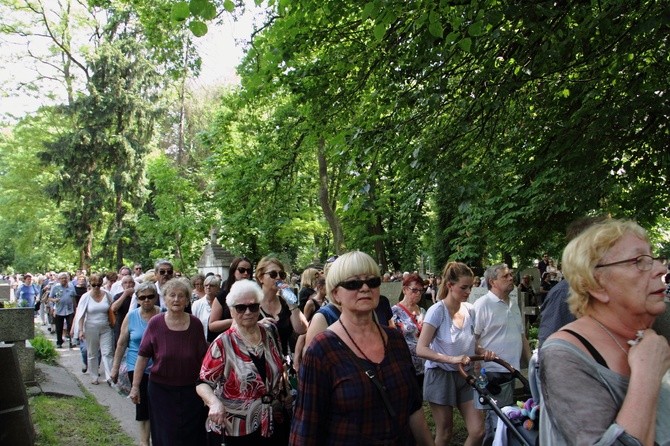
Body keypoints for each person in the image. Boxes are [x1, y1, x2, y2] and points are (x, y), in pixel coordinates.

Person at [540, 219, 670, 445]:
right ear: (596, 285)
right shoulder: (564, 355)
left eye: (653, 258)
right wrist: (647, 374)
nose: (661, 269)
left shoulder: (661, 322)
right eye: (639, 261)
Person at [290, 251, 433, 445]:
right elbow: (306, 428)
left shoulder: (396, 340)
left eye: (372, 281)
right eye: (353, 283)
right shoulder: (322, 349)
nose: (365, 288)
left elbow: (414, 408)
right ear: (335, 294)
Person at [197, 280, 290, 445]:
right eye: (240, 307)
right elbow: (202, 383)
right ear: (231, 310)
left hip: (272, 421)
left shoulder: (270, 332)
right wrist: (214, 403)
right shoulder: (222, 343)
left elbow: (280, 364)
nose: (248, 312)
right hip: (236, 428)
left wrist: (285, 391)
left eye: (253, 306)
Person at [417, 262, 497, 446]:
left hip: (465, 375)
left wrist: (483, 352)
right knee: (445, 432)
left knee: (478, 431)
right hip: (440, 375)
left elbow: (473, 344)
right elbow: (421, 348)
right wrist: (452, 359)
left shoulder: (470, 310)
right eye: (464, 287)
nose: (468, 291)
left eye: (471, 286)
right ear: (450, 285)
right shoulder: (437, 311)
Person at [130, 278, 208, 446]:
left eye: (181, 296)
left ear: (187, 300)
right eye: (172, 295)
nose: (176, 299)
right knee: (166, 435)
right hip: (161, 391)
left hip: (191, 391)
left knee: (192, 435)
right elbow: (143, 356)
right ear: (164, 298)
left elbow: (204, 358)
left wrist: (208, 388)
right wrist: (135, 387)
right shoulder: (155, 323)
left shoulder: (195, 325)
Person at [473, 263, 531, 444]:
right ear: (492, 282)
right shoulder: (482, 305)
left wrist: (531, 365)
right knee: (497, 422)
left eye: (511, 274)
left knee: (502, 422)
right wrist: (483, 355)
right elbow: (471, 340)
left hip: (511, 371)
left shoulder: (512, 304)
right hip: (492, 373)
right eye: (505, 276)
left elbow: (522, 337)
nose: (511, 278)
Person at [111, 282, 160, 446]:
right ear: (138, 299)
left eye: (150, 297)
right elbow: (121, 343)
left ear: (156, 297)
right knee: (143, 404)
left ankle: (158, 437)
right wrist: (115, 368)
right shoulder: (131, 316)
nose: (146, 300)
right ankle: (144, 441)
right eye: (142, 297)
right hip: (135, 366)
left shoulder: (163, 315)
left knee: (158, 404)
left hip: (159, 367)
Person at [256, 256, 308, 358]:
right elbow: (235, 331)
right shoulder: (250, 302)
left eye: (281, 274)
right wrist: (256, 325)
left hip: (282, 362)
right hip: (258, 363)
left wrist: (291, 303)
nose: (278, 277)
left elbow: (302, 329)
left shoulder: (285, 303)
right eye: (273, 274)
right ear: (260, 278)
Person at [74, 273, 115, 384]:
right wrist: (81, 330)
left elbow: (112, 309)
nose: (97, 287)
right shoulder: (85, 297)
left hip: (106, 327)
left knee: (107, 352)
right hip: (91, 328)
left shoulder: (107, 295)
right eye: (94, 285)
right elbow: (81, 314)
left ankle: (109, 377)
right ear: (90, 284)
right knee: (93, 353)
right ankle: (94, 376)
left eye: (99, 284)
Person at [391, 272, 427, 387]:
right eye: (414, 290)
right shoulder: (394, 312)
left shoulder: (423, 311)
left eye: (421, 291)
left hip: (423, 364)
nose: (418, 294)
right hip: (406, 365)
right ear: (405, 290)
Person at [208, 256, 253, 342]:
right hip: (228, 343)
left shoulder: (254, 295)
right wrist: (235, 320)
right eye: (241, 270)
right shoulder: (223, 295)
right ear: (233, 271)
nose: (246, 273)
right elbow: (212, 325)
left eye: (249, 271)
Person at [49, 272, 77, 349]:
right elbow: (50, 298)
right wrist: (54, 300)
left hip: (69, 310)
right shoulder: (55, 287)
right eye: (62, 278)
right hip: (59, 310)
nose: (64, 280)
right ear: (59, 279)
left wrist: (75, 309)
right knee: (59, 327)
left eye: (65, 278)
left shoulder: (71, 287)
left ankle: (71, 342)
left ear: (67, 279)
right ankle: (59, 342)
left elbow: (74, 298)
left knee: (70, 326)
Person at [110, 274, 136, 347]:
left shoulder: (139, 296)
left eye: (130, 282)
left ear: (134, 284)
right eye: (125, 282)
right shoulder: (118, 296)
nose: (128, 285)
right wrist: (125, 294)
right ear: (122, 285)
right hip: (120, 326)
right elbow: (114, 308)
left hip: (134, 326)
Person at [192, 275, 220, 340]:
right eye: (206, 285)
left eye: (212, 285)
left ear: (218, 288)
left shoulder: (222, 304)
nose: (208, 287)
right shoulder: (197, 304)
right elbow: (193, 324)